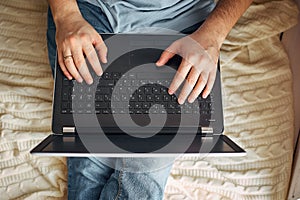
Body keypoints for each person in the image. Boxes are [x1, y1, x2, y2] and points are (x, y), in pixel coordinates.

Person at [46, 0, 253, 199]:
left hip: (186, 21)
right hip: (93, 12)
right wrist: (66, 15)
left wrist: (213, 35)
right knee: (90, 152)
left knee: (148, 162)